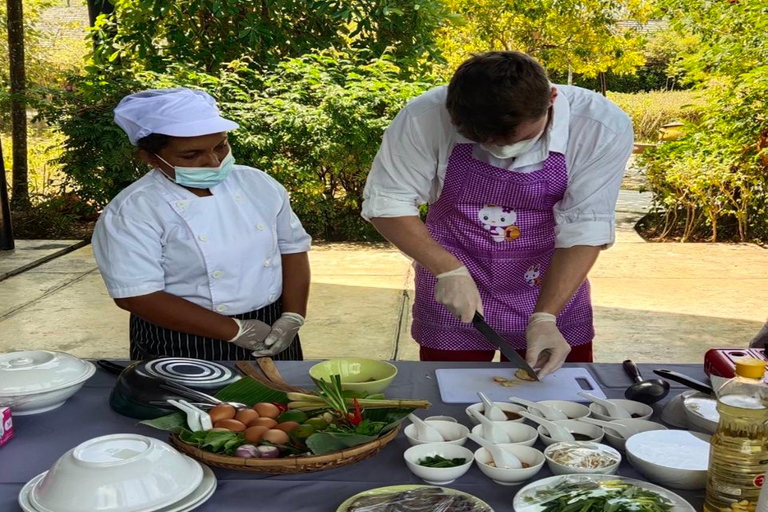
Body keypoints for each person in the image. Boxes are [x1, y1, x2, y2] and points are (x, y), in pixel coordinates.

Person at [362, 52, 634, 377]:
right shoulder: (424, 117)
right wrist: (448, 271)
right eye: (479, 140)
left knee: (558, 407)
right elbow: (388, 204)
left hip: (547, 281)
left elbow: (584, 228)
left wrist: (546, 316)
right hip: (453, 282)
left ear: (551, 98)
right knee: (452, 402)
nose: (498, 151)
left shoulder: (599, 126)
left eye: (516, 140)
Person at [92, 88, 311, 361]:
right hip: (180, 337)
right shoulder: (134, 210)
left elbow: (291, 248)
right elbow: (136, 296)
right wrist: (234, 330)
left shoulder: (258, 184)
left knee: (281, 402)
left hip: (272, 326)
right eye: (191, 155)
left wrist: (292, 315)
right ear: (150, 158)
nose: (213, 161)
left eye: (220, 146)